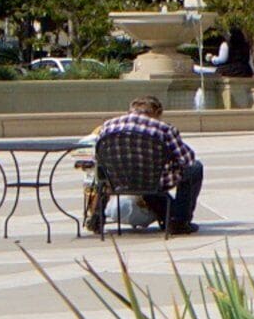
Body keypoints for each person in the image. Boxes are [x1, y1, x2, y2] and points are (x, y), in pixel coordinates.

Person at [86, 93, 204, 236]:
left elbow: (98, 158)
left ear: (131, 110)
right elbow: (188, 160)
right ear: (157, 112)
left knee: (105, 172)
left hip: (116, 182)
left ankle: (97, 217)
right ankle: (179, 222)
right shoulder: (164, 129)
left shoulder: (108, 125)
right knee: (195, 168)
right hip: (151, 182)